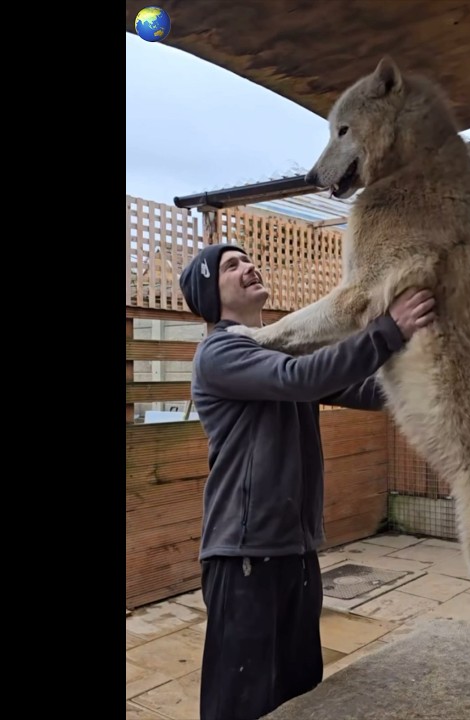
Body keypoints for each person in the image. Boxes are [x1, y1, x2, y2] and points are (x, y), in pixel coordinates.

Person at [177, 243, 436, 720]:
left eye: (248, 259)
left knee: (301, 693)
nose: (248, 266)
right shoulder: (221, 352)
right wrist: (387, 330)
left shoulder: (279, 349)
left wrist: (430, 375)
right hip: (244, 555)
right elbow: (299, 378)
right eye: (231, 265)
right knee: (243, 701)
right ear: (210, 295)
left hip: (295, 551)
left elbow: (364, 390)